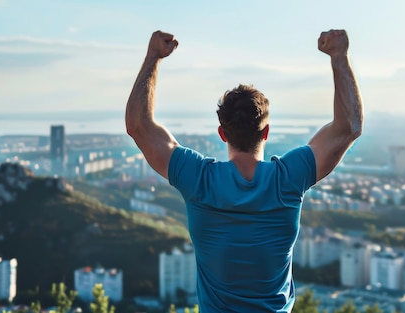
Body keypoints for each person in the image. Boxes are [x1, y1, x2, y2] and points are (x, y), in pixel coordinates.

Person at [125, 29, 363, 313]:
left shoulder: (199, 181)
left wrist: (154, 57)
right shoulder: (287, 180)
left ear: (222, 134)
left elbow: (138, 125)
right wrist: (339, 56)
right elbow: (349, 126)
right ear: (266, 133)